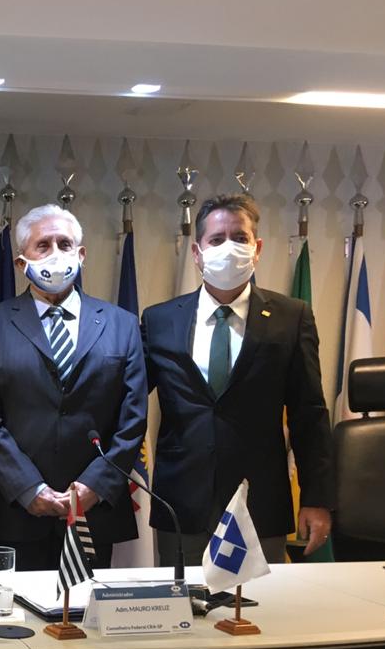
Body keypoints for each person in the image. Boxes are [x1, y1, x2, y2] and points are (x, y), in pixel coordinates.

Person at [141, 193, 334, 566]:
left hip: (260, 502)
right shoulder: (160, 320)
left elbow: (309, 413)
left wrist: (317, 498)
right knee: (185, 602)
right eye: (217, 239)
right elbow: (127, 402)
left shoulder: (291, 317)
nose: (229, 247)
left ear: (256, 248)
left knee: (261, 604)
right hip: (181, 504)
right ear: (197, 253)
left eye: (240, 238)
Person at [0, 204, 147, 568]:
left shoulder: (122, 324)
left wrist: (94, 486)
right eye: (43, 245)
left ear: (81, 255)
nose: (55, 253)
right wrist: (27, 487)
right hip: (15, 512)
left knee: (86, 605)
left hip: (93, 511)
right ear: (21, 263)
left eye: (65, 244)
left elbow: (132, 419)